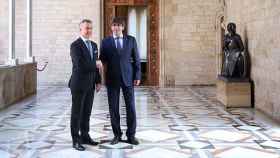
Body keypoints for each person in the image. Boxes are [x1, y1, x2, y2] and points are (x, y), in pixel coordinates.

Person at [100, 17, 141, 145]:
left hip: (128, 78)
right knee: (113, 108)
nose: (116, 28)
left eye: (118, 25)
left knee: (131, 107)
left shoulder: (131, 40)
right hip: (112, 79)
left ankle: (131, 135)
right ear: (111, 27)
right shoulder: (106, 41)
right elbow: (102, 60)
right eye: (114, 25)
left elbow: (137, 59)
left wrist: (138, 76)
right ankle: (117, 135)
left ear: (123, 27)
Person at [68, 19, 102, 151]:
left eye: (91, 28)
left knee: (87, 112)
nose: (89, 31)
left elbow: (96, 63)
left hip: (90, 85)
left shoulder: (94, 45)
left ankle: (85, 136)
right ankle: (75, 140)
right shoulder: (75, 45)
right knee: (77, 113)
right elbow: (80, 65)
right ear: (80, 30)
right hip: (78, 84)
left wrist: (98, 80)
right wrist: (95, 65)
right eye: (86, 28)